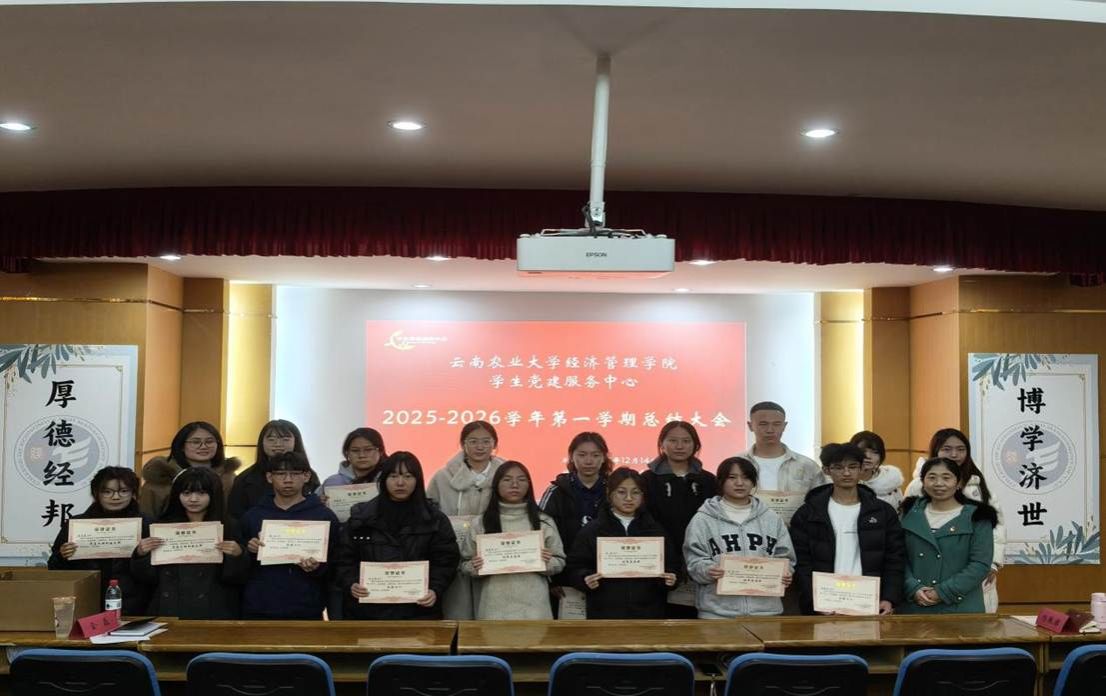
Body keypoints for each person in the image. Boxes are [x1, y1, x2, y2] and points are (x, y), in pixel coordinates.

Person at [338, 452, 459, 620]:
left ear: (418, 480)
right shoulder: (362, 517)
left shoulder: (434, 519)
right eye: (393, 476)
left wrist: (435, 589)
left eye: (408, 476)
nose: (400, 483)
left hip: (419, 610)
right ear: (383, 480)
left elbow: (446, 560)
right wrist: (351, 583)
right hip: (368, 612)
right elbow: (343, 558)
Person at [789, 443, 904, 615]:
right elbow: (802, 562)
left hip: (869, 602)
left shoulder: (883, 512)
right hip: (824, 605)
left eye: (852, 466)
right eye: (838, 467)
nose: (847, 473)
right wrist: (814, 601)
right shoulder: (808, 513)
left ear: (861, 468)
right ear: (826, 470)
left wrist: (889, 598)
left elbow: (895, 558)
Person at [905, 428, 1005, 612]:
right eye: (947, 449)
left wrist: (994, 561)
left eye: (960, 449)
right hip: (918, 591)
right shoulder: (913, 499)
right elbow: (901, 549)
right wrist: (913, 587)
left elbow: (997, 527)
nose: (954, 454)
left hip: (963, 587)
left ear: (957, 483)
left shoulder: (979, 489)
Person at [683, 457, 795, 618]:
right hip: (717, 613)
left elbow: (785, 556)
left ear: (754, 482)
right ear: (721, 481)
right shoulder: (703, 519)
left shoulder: (771, 518)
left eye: (746, 477)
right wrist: (708, 570)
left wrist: (786, 572)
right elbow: (693, 560)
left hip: (766, 612)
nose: (740, 483)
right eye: (732, 477)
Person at [132, 467, 248, 619]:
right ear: (176, 495)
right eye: (186, 493)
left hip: (214, 609)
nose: (193, 499)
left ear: (214, 494)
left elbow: (239, 578)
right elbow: (147, 579)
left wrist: (238, 555)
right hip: (170, 608)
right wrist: (141, 554)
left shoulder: (229, 526)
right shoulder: (162, 527)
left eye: (201, 493)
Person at [566, 467, 678, 619]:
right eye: (621, 492)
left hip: (650, 613)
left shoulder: (655, 529)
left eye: (636, 492)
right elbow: (574, 567)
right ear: (609, 494)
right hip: (605, 613)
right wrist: (585, 578)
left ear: (643, 496)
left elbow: (672, 565)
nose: (629, 498)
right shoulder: (593, 530)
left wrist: (670, 579)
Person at [240, 451, 340, 619]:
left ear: (306, 476)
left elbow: (336, 562)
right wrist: (248, 550)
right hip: (260, 605)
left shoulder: (323, 516)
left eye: (294, 474)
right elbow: (239, 566)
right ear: (269, 477)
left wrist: (318, 568)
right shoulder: (253, 516)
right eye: (280, 474)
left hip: (307, 606)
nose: (287, 479)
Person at [461, 461, 565, 619]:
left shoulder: (543, 521)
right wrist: (475, 566)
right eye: (507, 479)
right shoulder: (481, 523)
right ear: (496, 484)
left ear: (529, 485)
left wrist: (546, 562)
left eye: (521, 479)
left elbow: (560, 560)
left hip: (535, 610)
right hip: (493, 610)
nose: (515, 484)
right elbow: (464, 563)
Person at [426, 420, 506, 619]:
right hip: (454, 554)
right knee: (457, 612)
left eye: (486, 441)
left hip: (496, 556)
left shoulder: (507, 475)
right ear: (463, 444)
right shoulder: (442, 477)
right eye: (473, 441)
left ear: (494, 444)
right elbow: (430, 516)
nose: (480, 447)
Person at [48, 466, 153, 615]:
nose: (116, 497)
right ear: (96, 493)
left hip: (135, 606)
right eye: (107, 492)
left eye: (123, 491)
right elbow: (54, 568)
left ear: (133, 493)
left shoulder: (147, 523)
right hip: (86, 603)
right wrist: (62, 556)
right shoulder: (77, 524)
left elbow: (155, 574)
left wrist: (141, 556)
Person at [640, 420, 717, 617]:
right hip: (660, 559)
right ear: (662, 444)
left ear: (696, 445)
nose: (679, 446)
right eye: (673, 440)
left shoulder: (708, 480)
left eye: (686, 441)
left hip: (701, 559)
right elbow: (643, 519)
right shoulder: (647, 479)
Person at [539, 432, 612, 606]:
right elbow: (542, 534)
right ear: (571, 457)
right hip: (564, 579)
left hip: (608, 576)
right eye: (582, 455)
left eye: (595, 455)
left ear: (604, 458)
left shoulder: (615, 489)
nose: (589, 461)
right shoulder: (556, 491)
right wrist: (553, 579)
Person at [139, 421, 241, 518]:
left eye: (209, 442)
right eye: (196, 442)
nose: (203, 446)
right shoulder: (159, 478)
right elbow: (147, 518)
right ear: (181, 446)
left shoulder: (229, 478)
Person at [228, 419, 320, 520]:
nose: (278, 444)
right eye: (271, 439)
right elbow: (235, 516)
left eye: (285, 439)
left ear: (296, 442)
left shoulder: (308, 474)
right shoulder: (245, 479)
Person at [741, 402, 823, 504]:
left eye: (776, 424)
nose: (770, 430)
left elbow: (821, 501)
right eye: (763, 424)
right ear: (750, 426)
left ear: (784, 426)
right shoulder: (738, 463)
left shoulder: (807, 465)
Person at [848, 430, 904, 510]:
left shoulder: (891, 484)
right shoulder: (840, 481)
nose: (868, 456)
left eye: (875, 452)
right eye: (862, 451)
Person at [321, 427, 387, 492]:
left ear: (380, 451)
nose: (362, 455)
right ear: (347, 453)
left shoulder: (388, 479)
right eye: (355, 450)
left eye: (368, 450)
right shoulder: (333, 482)